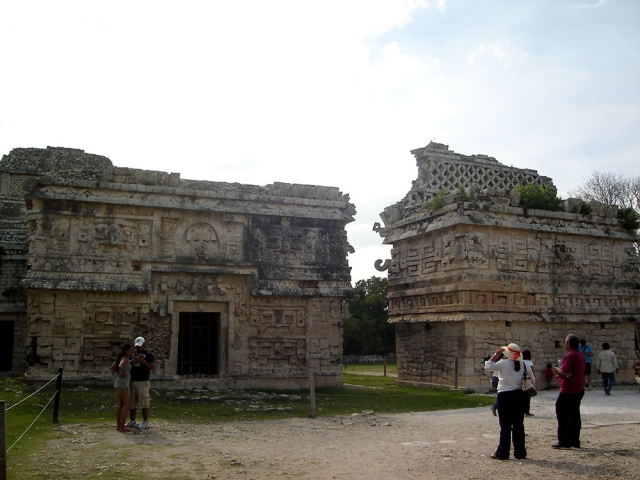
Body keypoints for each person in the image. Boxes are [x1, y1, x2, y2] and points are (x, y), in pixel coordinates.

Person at [484, 343, 534, 460]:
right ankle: (520, 452)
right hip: (519, 395)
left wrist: (497, 354)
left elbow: (488, 366)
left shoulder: (503, 363)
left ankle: (503, 452)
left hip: (505, 396)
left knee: (505, 426)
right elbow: (532, 378)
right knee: (518, 425)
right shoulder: (524, 364)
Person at [552, 334, 586, 449]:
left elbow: (565, 372)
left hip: (568, 390)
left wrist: (557, 369)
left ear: (568, 344)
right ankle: (574, 440)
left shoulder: (570, 356)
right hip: (579, 388)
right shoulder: (580, 355)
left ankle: (564, 440)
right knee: (574, 415)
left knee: (562, 415)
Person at [126, 336, 155, 430]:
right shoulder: (133, 354)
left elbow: (151, 367)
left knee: (144, 402)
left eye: (140, 346)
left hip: (143, 381)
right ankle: (132, 420)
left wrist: (143, 361)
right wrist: (133, 361)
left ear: (144, 345)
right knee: (132, 403)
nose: (138, 348)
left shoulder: (148, 355)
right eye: (137, 346)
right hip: (133, 379)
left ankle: (145, 421)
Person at [113, 343, 135, 432]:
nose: (132, 352)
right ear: (126, 350)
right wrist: (123, 373)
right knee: (126, 406)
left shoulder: (121, 358)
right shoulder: (124, 359)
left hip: (119, 384)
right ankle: (122, 426)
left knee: (120, 405)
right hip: (124, 384)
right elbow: (120, 366)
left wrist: (119, 374)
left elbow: (112, 367)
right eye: (130, 350)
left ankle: (119, 425)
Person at [522, 349, 536, 416]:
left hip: (521, 380)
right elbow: (532, 373)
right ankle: (527, 411)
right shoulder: (529, 363)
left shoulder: (521, 362)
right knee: (527, 396)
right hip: (528, 380)